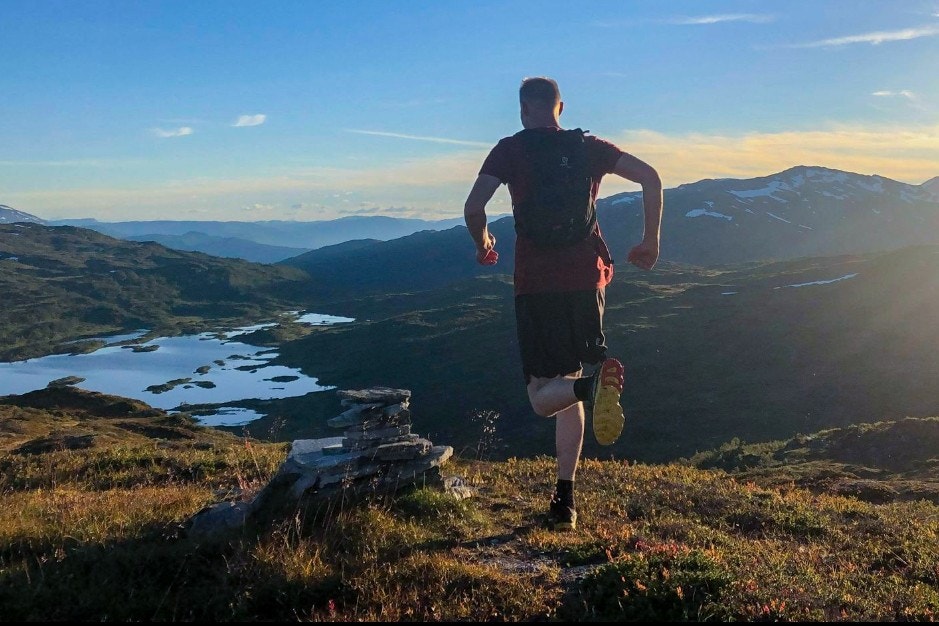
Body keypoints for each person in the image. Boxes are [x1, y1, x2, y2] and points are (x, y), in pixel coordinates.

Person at [463, 76, 663, 531]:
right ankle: (565, 498)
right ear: (561, 107)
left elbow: (474, 208)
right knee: (569, 377)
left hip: (536, 284)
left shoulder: (509, 150)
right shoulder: (590, 148)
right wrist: (650, 242)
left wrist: (483, 243)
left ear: (523, 110)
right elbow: (651, 177)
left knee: (543, 397)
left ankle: (590, 391)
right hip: (588, 279)